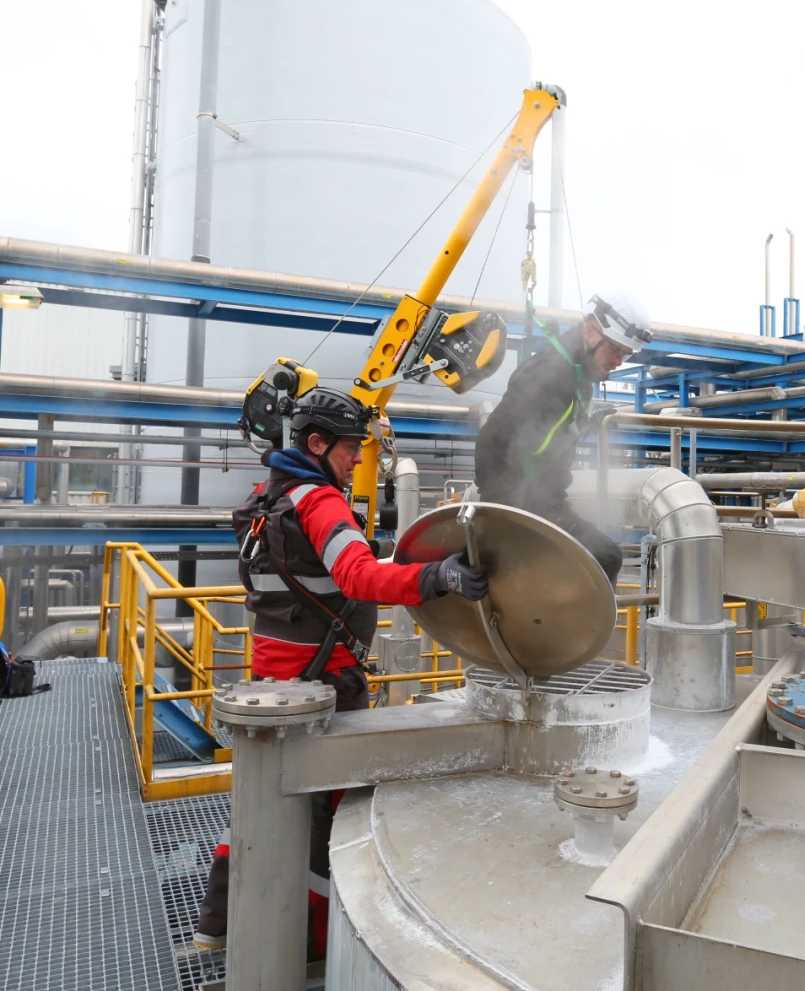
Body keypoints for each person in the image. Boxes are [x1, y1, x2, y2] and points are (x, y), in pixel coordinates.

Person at [195, 386, 486, 958]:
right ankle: (317, 947)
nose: (358, 459)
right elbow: (357, 576)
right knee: (329, 819)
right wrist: (438, 579)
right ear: (317, 442)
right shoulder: (319, 501)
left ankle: (216, 925)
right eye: (350, 448)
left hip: (273, 681)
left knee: (258, 802)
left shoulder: (266, 496)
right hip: (322, 681)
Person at [474, 291, 652, 585]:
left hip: (543, 502)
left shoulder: (576, 376)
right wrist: (511, 512)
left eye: (626, 355)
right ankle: (557, 626)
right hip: (519, 506)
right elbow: (492, 440)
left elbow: (545, 440)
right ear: (590, 333)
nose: (619, 362)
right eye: (616, 351)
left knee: (602, 559)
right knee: (604, 558)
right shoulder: (550, 375)